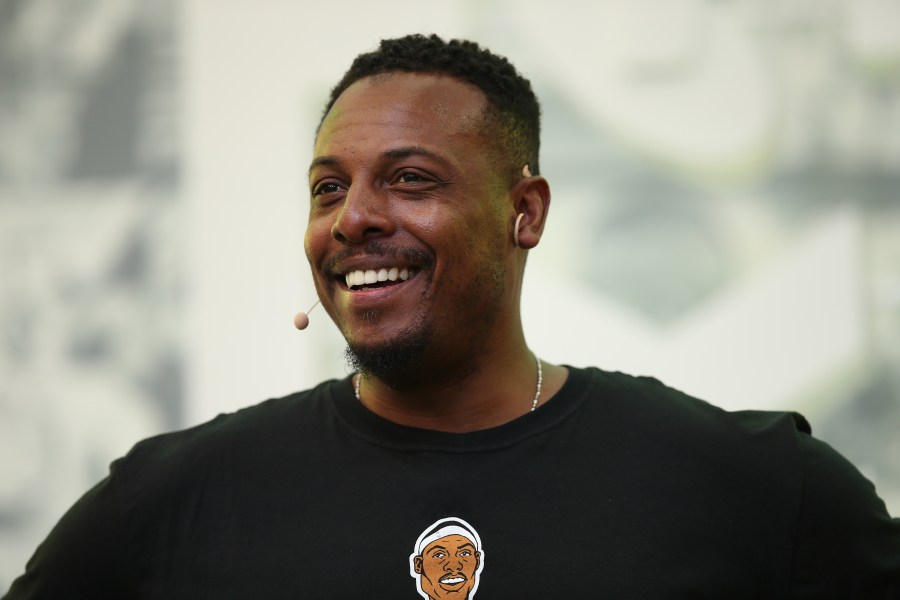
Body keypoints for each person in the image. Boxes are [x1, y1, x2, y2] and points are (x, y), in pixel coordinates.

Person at [5, 34, 900, 599]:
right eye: (328, 188)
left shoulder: (748, 486)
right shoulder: (175, 500)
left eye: (409, 178)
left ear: (527, 212)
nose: (352, 218)